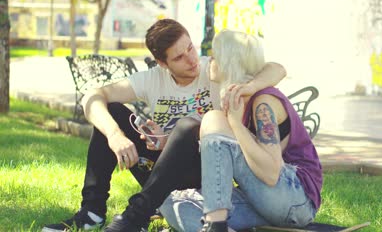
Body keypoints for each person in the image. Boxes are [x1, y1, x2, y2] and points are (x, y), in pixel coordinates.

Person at [42, 19, 286, 232]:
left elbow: (277, 68)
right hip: (161, 168)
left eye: (190, 48)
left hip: (205, 171)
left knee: (188, 126)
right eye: (179, 57)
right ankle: (92, 213)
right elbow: (92, 97)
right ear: (162, 62)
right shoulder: (152, 79)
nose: (191, 60)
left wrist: (250, 88)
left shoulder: (212, 69)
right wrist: (115, 135)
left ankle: (135, 216)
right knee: (113, 113)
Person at [159, 29, 323, 232]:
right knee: (170, 203)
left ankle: (215, 225)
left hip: (295, 199)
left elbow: (271, 173)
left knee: (213, 119)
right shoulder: (239, 100)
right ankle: (219, 225)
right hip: (261, 200)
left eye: (214, 56)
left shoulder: (264, 102)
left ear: (228, 62)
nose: (209, 60)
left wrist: (236, 125)